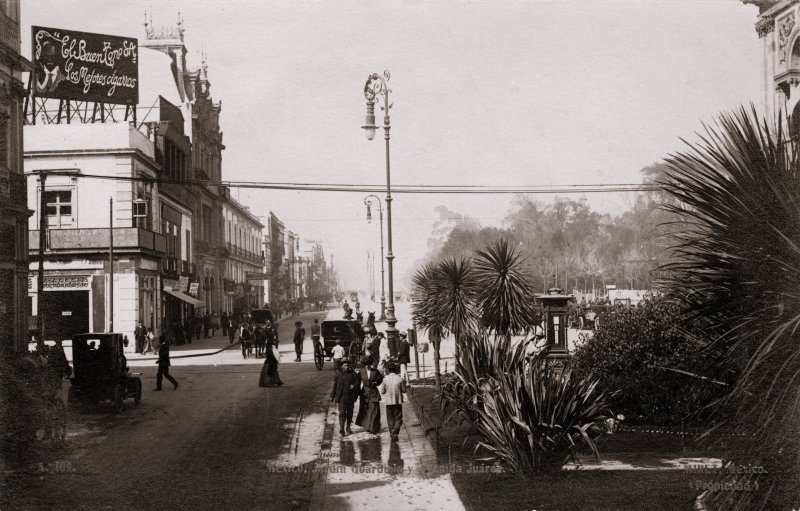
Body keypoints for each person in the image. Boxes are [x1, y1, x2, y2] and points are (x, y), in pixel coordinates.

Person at [330, 358, 361, 436]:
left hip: (350, 397)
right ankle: (342, 428)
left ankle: (348, 427)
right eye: (345, 365)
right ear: (341, 366)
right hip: (341, 398)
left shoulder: (353, 374)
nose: (347, 367)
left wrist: (353, 386)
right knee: (342, 413)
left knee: (350, 413)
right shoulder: (338, 375)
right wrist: (332, 396)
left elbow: (358, 383)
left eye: (348, 365)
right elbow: (335, 386)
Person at [379, 362, 407, 442]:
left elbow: (382, 391)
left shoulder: (385, 379)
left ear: (387, 370)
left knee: (390, 419)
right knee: (398, 418)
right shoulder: (400, 379)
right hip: (397, 402)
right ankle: (395, 431)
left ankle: (392, 434)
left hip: (388, 402)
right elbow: (404, 390)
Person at [355, 355, 383, 434]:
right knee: (366, 410)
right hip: (364, 393)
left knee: (374, 410)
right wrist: (358, 392)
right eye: (366, 364)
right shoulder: (361, 371)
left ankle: (373, 427)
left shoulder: (375, 371)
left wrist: (376, 383)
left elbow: (380, 379)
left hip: (374, 392)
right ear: (364, 364)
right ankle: (368, 425)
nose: (367, 366)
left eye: (369, 364)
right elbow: (357, 382)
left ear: (371, 364)